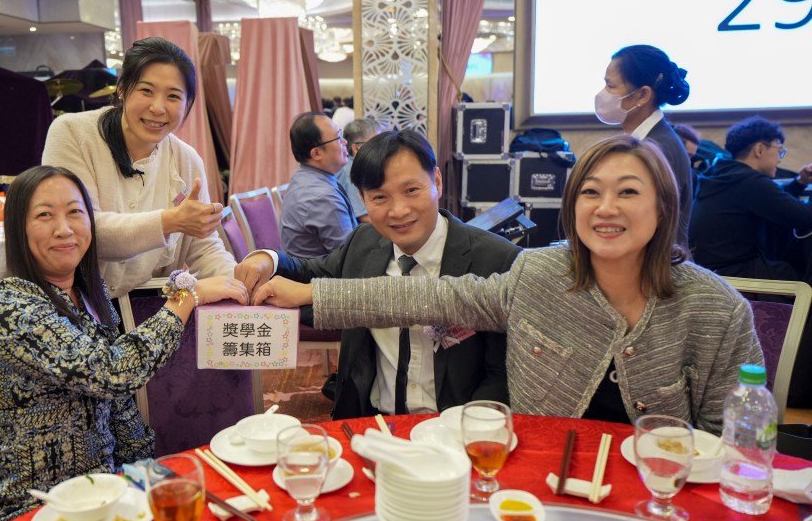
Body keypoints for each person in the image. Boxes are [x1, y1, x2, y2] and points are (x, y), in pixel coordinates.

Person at [255, 135, 762, 434]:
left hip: (657, 492)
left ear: (664, 206)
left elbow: (733, 438)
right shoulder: (539, 275)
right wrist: (307, 291)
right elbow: (429, 295)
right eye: (590, 193)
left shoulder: (716, 309)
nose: (606, 208)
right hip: (535, 484)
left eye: (628, 192)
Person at [0, 166, 247, 521]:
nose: (64, 229)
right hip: (25, 512)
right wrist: (186, 297)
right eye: (45, 215)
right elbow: (112, 373)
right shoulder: (7, 305)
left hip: (101, 500)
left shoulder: (88, 292)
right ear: (18, 227)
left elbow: (120, 406)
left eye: (75, 212)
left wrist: (148, 476)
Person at [238, 130, 520, 418]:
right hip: (372, 421)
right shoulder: (363, 243)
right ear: (362, 199)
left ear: (436, 181)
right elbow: (309, 270)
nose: (398, 211)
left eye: (411, 190)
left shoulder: (497, 260)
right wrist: (267, 259)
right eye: (380, 197)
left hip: (456, 426)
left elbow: (503, 375)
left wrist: (465, 429)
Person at [42, 37, 234, 322]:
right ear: (122, 89)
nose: (158, 108)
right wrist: (170, 221)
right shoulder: (72, 134)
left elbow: (203, 246)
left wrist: (237, 281)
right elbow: (79, 230)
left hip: (150, 311)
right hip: (76, 312)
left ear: (187, 104)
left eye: (173, 97)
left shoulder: (187, 160)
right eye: (146, 91)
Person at [690, 116, 812, 281]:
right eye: (779, 150)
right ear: (759, 149)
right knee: (800, 270)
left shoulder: (720, 173)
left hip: (709, 272)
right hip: (736, 275)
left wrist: (800, 182)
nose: (780, 159)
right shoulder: (751, 183)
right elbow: (806, 218)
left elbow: (774, 201)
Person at [595, 45, 693, 248]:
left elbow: (649, 225)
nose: (603, 94)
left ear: (642, 95)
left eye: (611, 86)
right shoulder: (648, 139)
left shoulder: (658, 148)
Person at [279, 111, 358, 257]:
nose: (345, 142)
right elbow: (350, 258)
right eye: (338, 138)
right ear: (316, 154)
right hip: (323, 272)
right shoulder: (322, 197)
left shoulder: (304, 175)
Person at [338, 117, 390, 223]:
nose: (383, 148)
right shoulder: (351, 171)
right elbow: (364, 217)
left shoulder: (365, 166)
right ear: (356, 148)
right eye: (376, 143)